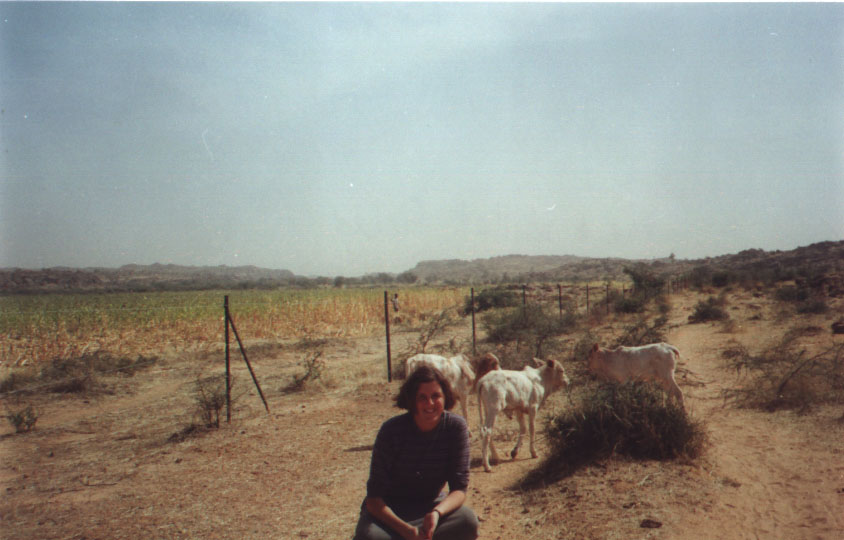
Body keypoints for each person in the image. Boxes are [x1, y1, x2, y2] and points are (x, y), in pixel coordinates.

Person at [353, 365, 479, 540]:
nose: (430, 403)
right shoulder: (391, 431)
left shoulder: (455, 427)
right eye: (422, 397)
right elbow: (373, 500)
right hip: (389, 514)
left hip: (429, 508)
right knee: (371, 537)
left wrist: (436, 513)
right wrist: (405, 531)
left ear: (445, 397)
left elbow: (459, 489)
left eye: (436, 396)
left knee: (467, 521)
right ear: (412, 400)